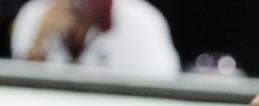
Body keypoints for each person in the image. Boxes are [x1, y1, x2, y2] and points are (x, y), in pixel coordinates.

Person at [11, 0, 179, 74]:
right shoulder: (33, 15)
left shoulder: (143, 21)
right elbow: (22, 99)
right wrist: (39, 42)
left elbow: (166, 90)